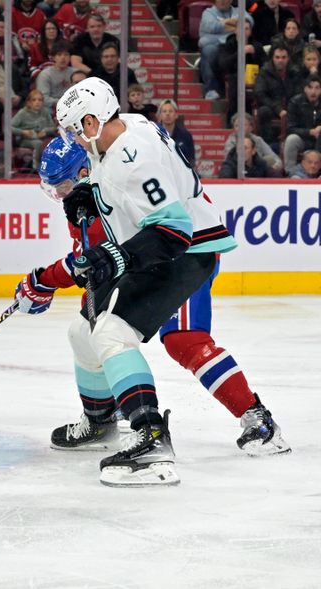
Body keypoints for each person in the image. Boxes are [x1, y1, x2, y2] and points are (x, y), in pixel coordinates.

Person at [18, 133, 289, 482]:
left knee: (183, 339)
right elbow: (93, 263)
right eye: (52, 189)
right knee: (85, 329)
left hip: (184, 254)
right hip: (144, 262)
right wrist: (56, 283)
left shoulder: (119, 176)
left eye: (64, 185)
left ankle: (257, 419)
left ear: (85, 170)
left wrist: (46, 279)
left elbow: (106, 252)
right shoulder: (83, 197)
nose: (59, 196)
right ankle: (101, 422)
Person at [254, 43, 304, 147]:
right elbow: (260, 94)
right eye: (277, 57)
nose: (280, 60)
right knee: (263, 111)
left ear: (288, 58)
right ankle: (269, 145)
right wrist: (278, 109)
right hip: (272, 107)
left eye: (283, 57)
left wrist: (290, 108)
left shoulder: (295, 71)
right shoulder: (264, 72)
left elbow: (299, 92)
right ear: (272, 57)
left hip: (292, 107)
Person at [198, 0, 243, 100]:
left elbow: (248, 21)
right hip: (216, 48)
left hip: (232, 47)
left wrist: (219, 28)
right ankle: (210, 89)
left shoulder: (238, 11)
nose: (222, 1)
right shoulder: (208, 13)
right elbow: (210, 27)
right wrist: (230, 25)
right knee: (208, 50)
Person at [10, 89, 56, 169]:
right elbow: (9, 127)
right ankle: (37, 167)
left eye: (40, 100)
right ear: (29, 102)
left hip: (42, 137)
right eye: (34, 100)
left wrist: (46, 131)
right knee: (38, 143)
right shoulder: (22, 113)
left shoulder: (45, 112)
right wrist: (23, 132)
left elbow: (53, 127)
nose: (37, 102)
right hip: (26, 139)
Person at [284, 73, 321, 168]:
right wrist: (310, 132)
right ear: (305, 89)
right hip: (303, 139)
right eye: (310, 87)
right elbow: (290, 128)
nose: (313, 91)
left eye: (317, 88)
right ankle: (290, 173)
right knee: (291, 139)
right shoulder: (295, 102)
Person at [34, 40, 74, 109]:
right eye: (59, 55)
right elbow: (43, 98)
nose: (63, 58)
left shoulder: (76, 73)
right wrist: (64, 103)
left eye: (66, 54)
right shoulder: (45, 75)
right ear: (53, 57)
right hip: (51, 108)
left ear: (70, 57)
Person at [156, 99, 195, 167]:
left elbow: (191, 160)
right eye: (164, 111)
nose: (167, 114)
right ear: (160, 116)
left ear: (176, 115)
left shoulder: (186, 135)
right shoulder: (154, 134)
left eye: (170, 111)